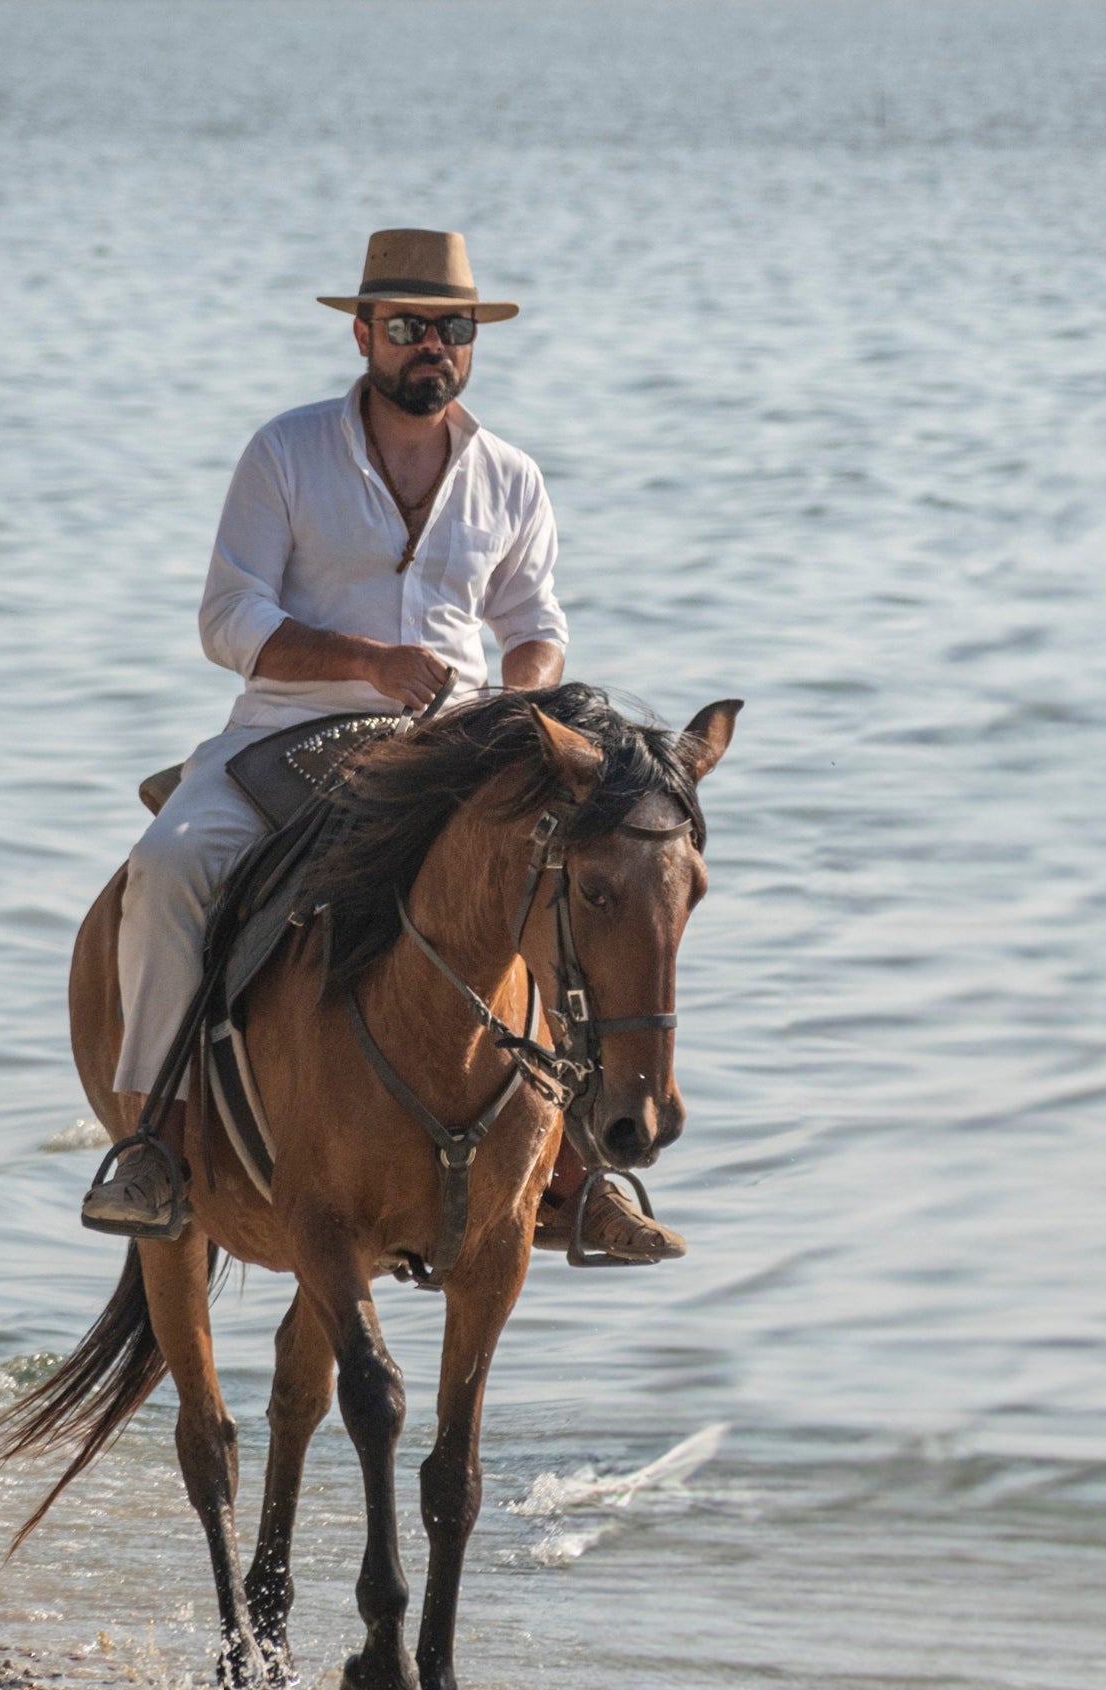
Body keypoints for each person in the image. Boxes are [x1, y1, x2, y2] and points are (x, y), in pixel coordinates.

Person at [83, 228, 674, 1263]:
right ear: (362, 333)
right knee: (171, 868)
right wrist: (369, 660)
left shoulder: (511, 478)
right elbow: (228, 619)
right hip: (287, 732)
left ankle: (574, 1171)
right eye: (406, 328)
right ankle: (156, 1146)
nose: (429, 349)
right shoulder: (286, 452)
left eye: (450, 330)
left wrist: (518, 711)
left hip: (457, 746)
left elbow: (535, 627)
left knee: (560, 885)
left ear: (471, 343)